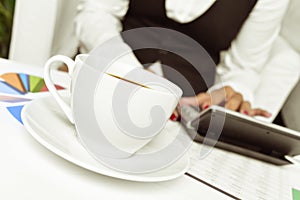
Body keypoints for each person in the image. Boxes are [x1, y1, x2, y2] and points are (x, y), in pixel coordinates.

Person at [75, 0, 299, 120]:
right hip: (104, 82)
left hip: (184, 114)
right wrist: (130, 71)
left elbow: (245, 67)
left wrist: (230, 93)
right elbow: (96, 15)